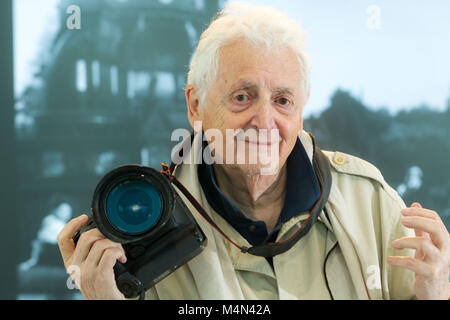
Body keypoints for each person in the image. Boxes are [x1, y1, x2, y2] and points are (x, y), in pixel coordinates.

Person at [57, 2, 450, 300]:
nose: (264, 121)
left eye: (282, 100)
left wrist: (435, 291)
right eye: (242, 97)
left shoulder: (371, 203)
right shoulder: (139, 235)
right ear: (195, 106)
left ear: (302, 108)